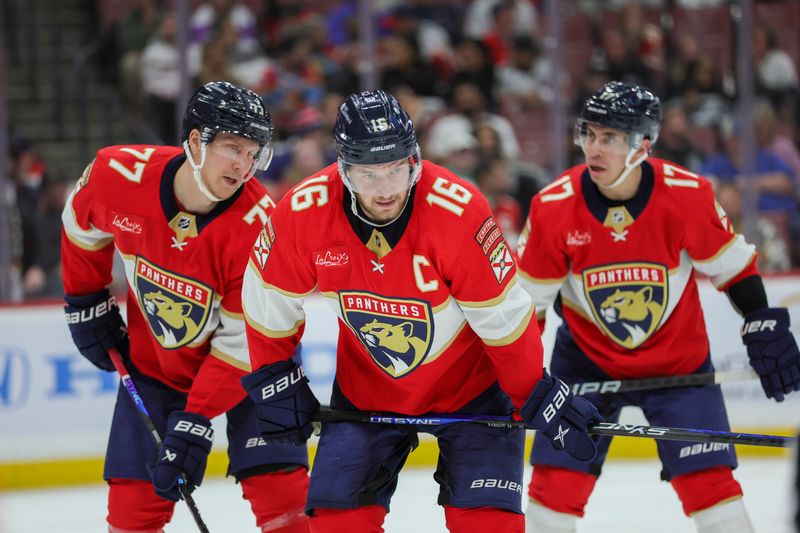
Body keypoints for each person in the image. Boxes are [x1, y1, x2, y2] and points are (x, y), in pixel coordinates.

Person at [238, 89, 601, 532]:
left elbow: (503, 318)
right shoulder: (303, 213)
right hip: (367, 396)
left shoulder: (458, 211)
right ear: (343, 168)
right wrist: (275, 377)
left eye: (397, 169)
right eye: (369, 174)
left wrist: (532, 392)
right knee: (338, 524)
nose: (387, 188)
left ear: (415, 157)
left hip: (472, 394)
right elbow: (266, 301)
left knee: (489, 526)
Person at [516, 80, 800, 532]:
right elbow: (527, 311)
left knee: (713, 494)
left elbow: (732, 267)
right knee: (554, 493)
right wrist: (520, 378)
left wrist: (762, 321)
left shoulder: (685, 194)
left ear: (642, 145)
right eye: (588, 133)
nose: (593, 147)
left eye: (609, 137)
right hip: (586, 368)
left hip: (679, 369)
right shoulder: (553, 207)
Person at [61, 81, 310, 533]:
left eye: (254, 153)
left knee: (284, 499)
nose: (244, 165)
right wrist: (85, 298)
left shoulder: (260, 231)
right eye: (233, 147)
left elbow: (243, 343)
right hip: (159, 365)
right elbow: (81, 226)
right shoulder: (119, 175)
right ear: (195, 140)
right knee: (132, 510)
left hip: (256, 363)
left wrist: (194, 420)